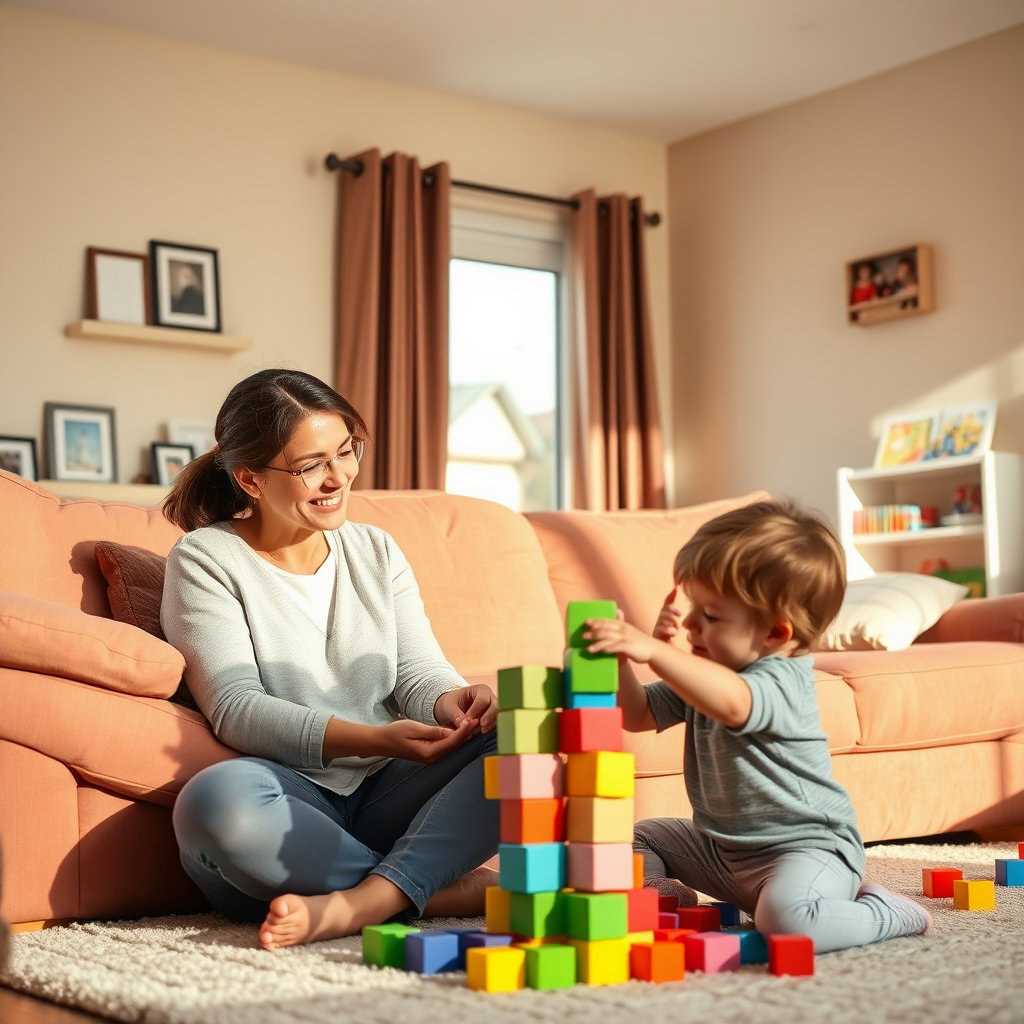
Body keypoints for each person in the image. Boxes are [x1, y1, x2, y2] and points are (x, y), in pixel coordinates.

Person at [160, 368, 499, 950]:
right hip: (287, 793)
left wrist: (454, 701)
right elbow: (237, 708)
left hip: (387, 793)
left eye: (346, 452)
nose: (337, 477)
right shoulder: (205, 558)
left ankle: (369, 899)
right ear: (250, 478)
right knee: (213, 806)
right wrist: (379, 738)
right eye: (310, 464)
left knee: (539, 725)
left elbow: (417, 670)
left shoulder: (375, 548)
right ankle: (442, 890)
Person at [583, 499, 932, 953]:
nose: (688, 623)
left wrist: (655, 651)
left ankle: (886, 912)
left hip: (804, 850)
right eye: (691, 607)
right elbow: (637, 714)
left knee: (786, 924)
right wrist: (621, 661)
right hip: (718, 849)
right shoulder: (706, 673)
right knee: (638, 835)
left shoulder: (782, 679)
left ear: (774, 634)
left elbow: (734, 704)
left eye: (709, 616)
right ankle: (665, 894)